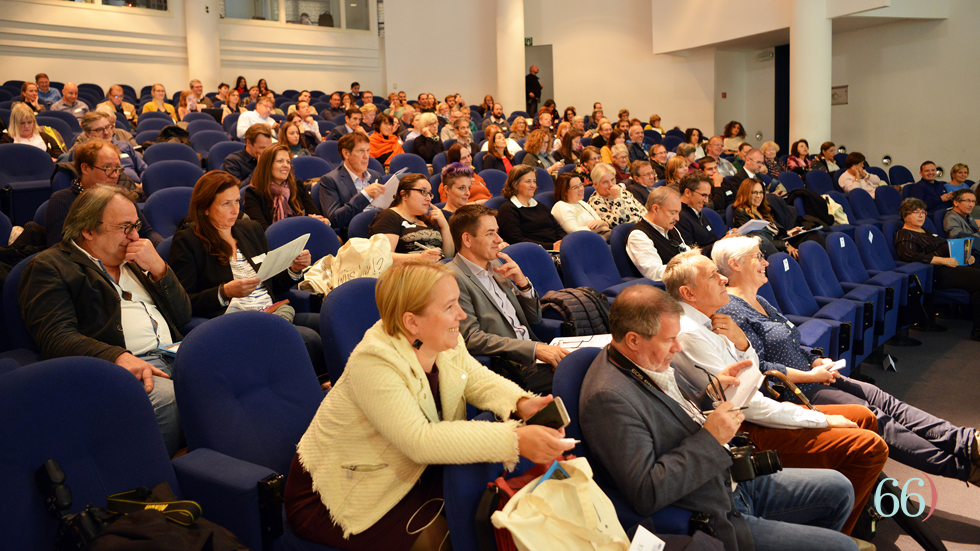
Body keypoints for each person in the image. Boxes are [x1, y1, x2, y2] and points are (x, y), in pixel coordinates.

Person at [284, 259, 571, 549]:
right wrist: (515, 440)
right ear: (411, 321)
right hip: (338, 493)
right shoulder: (373, 362)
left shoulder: (439, 337)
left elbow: (472, 377)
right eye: (450, 307)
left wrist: (520, 402)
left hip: (408, 468)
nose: (461, 314)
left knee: (492, 511)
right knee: (456, 538)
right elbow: (419, 441)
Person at [579, 285, 861, 551]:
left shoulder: (641, 359)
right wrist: (711, 439)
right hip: (714, 509)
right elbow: (646, 492)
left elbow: (671, 415)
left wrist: (708, 395)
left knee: (840, 488)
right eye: (669, 340)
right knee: (845, 547)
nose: (677, 348)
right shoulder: (609, 398)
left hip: (729, 479)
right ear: (633, 339)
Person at [714, 236, 980, 487]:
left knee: (882, 399)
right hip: (794, 392)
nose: (766, 262)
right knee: (874, 417)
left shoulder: (759, 300)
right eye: (757, 257)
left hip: (812, 376)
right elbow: (759, 368)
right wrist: (811, 376)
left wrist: (817, 361)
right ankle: (964, 468)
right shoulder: (730, 311)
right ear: (735, 264)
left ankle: (968, 442)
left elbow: (790, 341)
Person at [662, 251, 890, 536]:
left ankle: (839, 517)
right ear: (688, 293)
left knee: (863, 416)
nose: (723, 278)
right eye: (712, 275)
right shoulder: (689, 334)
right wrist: (821, 420)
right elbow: (746, 405)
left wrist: (742, 342)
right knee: (869, 446)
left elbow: (752, 377)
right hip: (742, 429)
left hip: (753, 409)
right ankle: (839, 534)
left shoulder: (715, 320)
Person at [20, 185, 190, 457]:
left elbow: (183, 316)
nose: (135, 236)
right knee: (166, 400)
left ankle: (207, 468)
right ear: (88, 230)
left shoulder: (135, 258)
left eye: (136, 225)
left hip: (174, 354)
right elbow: (56, 337)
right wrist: (117, 357)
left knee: (228, 373)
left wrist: (160, 269)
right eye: (125, 227)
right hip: (118, 368)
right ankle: (153, 485)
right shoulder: (49, 266)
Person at [169, 170, 325, 377]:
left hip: (273, 311)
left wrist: (293, 269)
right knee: (308, 338)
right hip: (238, 321)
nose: (236, 210)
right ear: (205, 208)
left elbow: (271, 284)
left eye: (237, 201)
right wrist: (224, 292)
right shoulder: (188, 242)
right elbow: (183, 303)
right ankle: (314, 389)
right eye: (226, 204)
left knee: (330, 321)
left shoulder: (250, 229)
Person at [449, 204, 570, 393]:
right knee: (580, 377)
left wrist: (523, 284)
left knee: (596, 361)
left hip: (534, 354)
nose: (499, 240)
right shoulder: (453, 278)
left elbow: (535, 319)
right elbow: (471, 338)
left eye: (497, 232)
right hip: (509, 367)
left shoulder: (496, 264)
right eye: (490, 234)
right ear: (467, 239)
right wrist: (534, 349)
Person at [45, 138, 159, 248]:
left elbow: (147, 233)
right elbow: (58, 250)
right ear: (85, 168)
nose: (114, 175)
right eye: (107, 168)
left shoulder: (122, 196)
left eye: (117, 168)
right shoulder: (62, 201)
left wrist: (167, 251)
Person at [896, 198, 980, 341]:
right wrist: (943, 260)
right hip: (937, 272)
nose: (921, 215)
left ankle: (975, 324)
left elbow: (945, 245)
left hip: (952, 264)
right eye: (916, 212)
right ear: (905, 215)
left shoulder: (925, 230)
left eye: (923, 212)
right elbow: (910, 255)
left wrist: (967, 256)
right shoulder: (904, 234)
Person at [368, 173, 453, 264]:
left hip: (438, 270)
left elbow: (449, 255)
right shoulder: (389, 216)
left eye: (429, 193)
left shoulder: (427, 220)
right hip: (408, 273)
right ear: (404, 195)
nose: (428, 198)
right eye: (423, 192)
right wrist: (420, 257)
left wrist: (444, 226)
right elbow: (383, 256)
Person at [319, 132, 385, 237]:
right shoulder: (330, 180)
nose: (366, 156)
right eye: (361, 151)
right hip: (355, 234)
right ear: (346, 153)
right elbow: (334, 219)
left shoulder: (376, 175)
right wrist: (365, 195)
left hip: (383, 230)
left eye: (368, 151)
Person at [243, 144, 324, 230]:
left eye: (288, 162)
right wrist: (302, 225)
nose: (286, 165)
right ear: (267, 165)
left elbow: (315, 216)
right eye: (280, 161)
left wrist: (322, 221)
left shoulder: (298, 187)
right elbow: (261, 230)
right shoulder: (253, 194)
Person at [732, 179, 812, 259]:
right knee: (805, 252)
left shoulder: (761, 210)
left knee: (812, 237)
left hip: (780, 242)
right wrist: (784, 245)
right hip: (771, 249)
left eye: (761, 192)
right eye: (754, 192)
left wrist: (789, 232)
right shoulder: (742, 212)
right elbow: (758, 240)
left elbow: (772, 231)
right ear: (746, 193)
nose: (759, 196)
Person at [496, 165, 565, 250]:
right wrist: (551, 246)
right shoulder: (508, 209)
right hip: (534, 252)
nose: (533, 185)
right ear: (515, 185)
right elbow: (516, 240)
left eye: (534, 181)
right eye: (528, 181)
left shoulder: (539, 205)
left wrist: (562, 242)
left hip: (556, 249)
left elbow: (557, 229)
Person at [627, 187, 688, 281]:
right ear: (655, 209)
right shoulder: (638, 236)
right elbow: (656, 273)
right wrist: (690, 267)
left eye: (678, 213)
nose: (677, 218)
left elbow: (686, 252)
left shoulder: (671, 228)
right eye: (672, 213)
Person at [675, 172, 739, 257]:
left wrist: (726, 237)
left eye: (708, 196)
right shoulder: (679, 217)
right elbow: (691, 255)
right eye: (703, 195)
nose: (706, 201)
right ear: (687, 192)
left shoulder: (696, 211)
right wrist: (721, 242)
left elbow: (710, 241)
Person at [77, 111, 146, 183]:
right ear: (88, 133)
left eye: (107, 127)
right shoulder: (85, 154)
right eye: (99, 130)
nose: (106, 132)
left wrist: (143, 184)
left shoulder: (125, 146)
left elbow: (143, 169)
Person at [588, 162, 645, 229]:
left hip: (643, 227)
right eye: (605, 182)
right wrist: (617, 198)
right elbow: (616, 223)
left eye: (612, 180)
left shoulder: (622, 191)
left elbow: (643, 210)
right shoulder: (595, 201)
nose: (611, 185)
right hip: (628, 233)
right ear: (595, 184)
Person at [551, 172, 608, 237]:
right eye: (575, 187)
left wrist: (602, 223)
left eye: (581, 185)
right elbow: (574, 231)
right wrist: (600, 228)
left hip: (596, 237)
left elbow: (601, 222)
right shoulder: (561, 206)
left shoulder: (582, 203)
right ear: (565, 191)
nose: (581, 189)